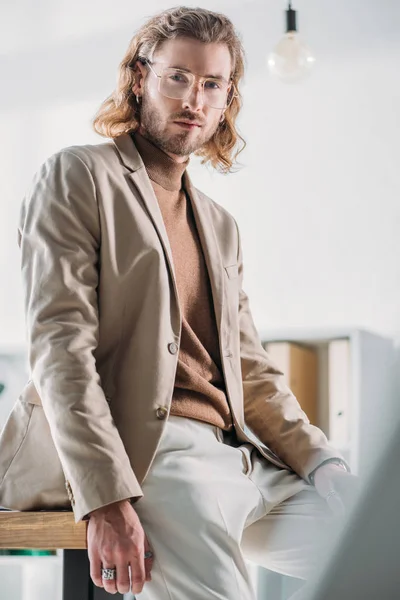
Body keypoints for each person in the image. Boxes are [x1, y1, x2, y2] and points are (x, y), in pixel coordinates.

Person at [18, 6, 357, 599]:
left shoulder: (220, 225)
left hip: (243, 456)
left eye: (211, 84)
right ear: (141, 76)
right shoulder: (80, 176)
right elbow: (59, 349)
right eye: (177, 77)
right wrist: (106, 497)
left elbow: (250, 370)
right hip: (155, 453)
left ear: (226, 99)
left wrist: (325, 463)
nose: (193, 100)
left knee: (379, 545)